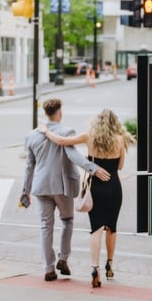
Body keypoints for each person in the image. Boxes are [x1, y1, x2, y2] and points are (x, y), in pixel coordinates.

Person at [21, 98, 111, 282]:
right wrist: (93, 168)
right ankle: (63, 259)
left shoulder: (31, 136)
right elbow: (74, 156)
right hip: (61, 186)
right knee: (67, 221)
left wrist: (25, 191)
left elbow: (29, 166)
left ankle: (48, 269)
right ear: (59, 112)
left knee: (45, 226)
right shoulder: (66, 132)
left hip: (41, 187)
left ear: (46, 113)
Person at [40, 108, 130, 288]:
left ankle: (94, 267)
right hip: (113, 188)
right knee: (111, 228)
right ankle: (109, 265)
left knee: (96, 229)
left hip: (95, 189)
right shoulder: (120, 140)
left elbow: (62, 141)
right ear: (115, 123)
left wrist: (46, 131)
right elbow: (120, 166)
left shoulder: (89, 137)